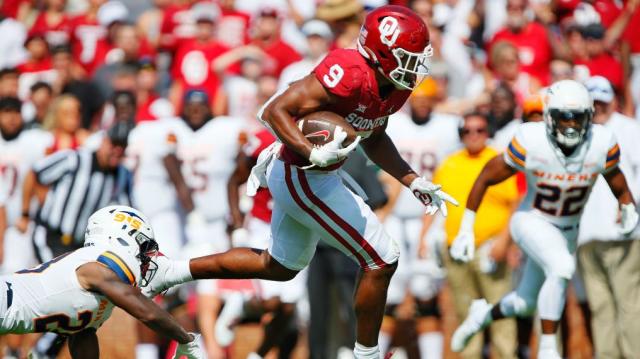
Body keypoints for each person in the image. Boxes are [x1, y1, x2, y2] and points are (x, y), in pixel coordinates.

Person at [144, 6, 457, 358]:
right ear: (382, 52)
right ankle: (366, 354)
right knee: (382, 258)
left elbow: (374, 136)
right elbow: (272, 110)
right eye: (407, 57)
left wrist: (412, 180)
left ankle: (170, 271)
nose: (415, 66)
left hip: (316, 174)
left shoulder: (394, 86)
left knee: (277, 267)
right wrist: (311, 151)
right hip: (303, 174)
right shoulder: (349, 71)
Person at [448, 80, 638, 359]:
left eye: (577, 118)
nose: (570, 125)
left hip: (568, 230)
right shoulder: (531, 139)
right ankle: (548, 349)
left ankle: (484, 314)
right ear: (549, 117)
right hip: (531, 220)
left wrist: (627, 206)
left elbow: (616, 178)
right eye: (564, 117)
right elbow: (488, 175)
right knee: (561, 267)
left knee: (525, 303)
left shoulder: (601, 142)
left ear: (590, 116)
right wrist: (466, 227)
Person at [0, 205, 204, 359]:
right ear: (121, 238)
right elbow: (145, 311)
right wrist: (186, 339)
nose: (146, 259)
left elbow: (81, 335)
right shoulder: (95, 269)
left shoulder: (92, 298)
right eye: (142, 247)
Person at [378, 78, 461, 358]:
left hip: (429, 218)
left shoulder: (447, 127)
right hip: (396, 216)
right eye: (418, 100)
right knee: (390, 293)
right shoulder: (397, 123)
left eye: (428, 101)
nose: (423, 106)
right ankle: (374, 353)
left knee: (427, 293)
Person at [429, 112, 519, 359]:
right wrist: (425, 239)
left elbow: (515, 203)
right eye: (467, 131)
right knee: (464, 313)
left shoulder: (499, 160)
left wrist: (504, 241)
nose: (473, 135)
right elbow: (434, 203)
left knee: (500, 311)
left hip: (490, 246)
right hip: (455, 249)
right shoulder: (450, 162)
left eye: (479, 130)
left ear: (487, 132)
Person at [577, 75, 640, 358]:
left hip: (623, 233)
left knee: (629, 305)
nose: (599, 108)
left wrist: (628, 203)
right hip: (587, 234)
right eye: (594, 103)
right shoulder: (578, 132)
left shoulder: (629, 129)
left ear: (613, 100)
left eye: (603, 101)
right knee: (600, 307)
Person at [17, 121, 134, 262]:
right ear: (104, 141)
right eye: (114, 144)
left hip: (79, 246)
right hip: (50, 237)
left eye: (122, 146)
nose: (117, 151)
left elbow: (126, 210)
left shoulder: (123, 174)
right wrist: (25, 213)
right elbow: (35, 173)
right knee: (55, 278)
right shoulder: (75, 159)